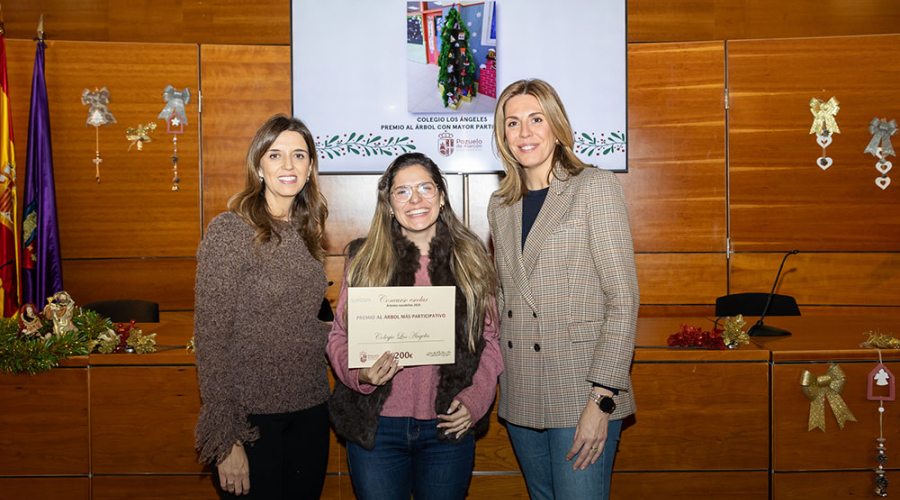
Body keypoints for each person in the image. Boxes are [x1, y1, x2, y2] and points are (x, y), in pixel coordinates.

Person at [487, 79, 640, 500]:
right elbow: (505, 297)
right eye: (512, 123)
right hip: (520, 392)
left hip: (582, 390)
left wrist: (602, 401)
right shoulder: (500, 204)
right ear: (502, 135)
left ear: (556, 126)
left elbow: (623, 301)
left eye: (536, 119)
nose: (524, 133)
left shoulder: (594, 187)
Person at [326, 152, 503, 500]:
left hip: (447, 426)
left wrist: (476, 400)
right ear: (389, 204)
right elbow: (338, 338)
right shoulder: (364, 260)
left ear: (441, 195)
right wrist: (360, 375)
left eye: (425, 188)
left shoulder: (472, 260)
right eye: (402, 191)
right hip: (377, 429)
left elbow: (491, 342)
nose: (416, 199)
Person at [193, 114, 330, 498]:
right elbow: (211, 338)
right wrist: (226, 437)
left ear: (310, 168)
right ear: (259, 165)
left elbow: (299, 322)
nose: (288, 165)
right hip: (252, 422)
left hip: (310, 410)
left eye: (299, 155)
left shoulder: (308, 231)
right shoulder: (230, 231)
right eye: (275, 155)